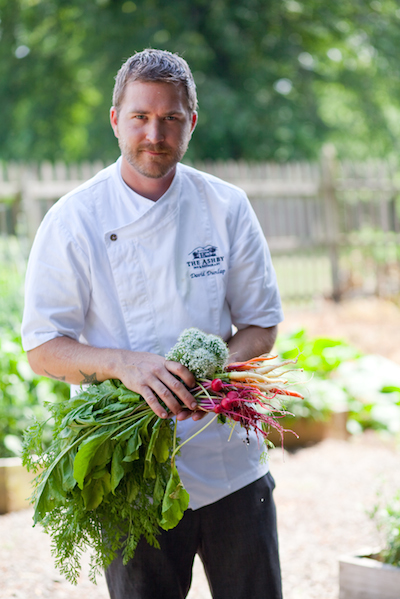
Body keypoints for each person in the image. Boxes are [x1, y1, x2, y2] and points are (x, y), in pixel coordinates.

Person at [21, 49, 284, 599]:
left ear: (192, 122)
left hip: (230, 458)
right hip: (131, 470)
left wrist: (212, 384)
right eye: (140, 116)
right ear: (116, 120)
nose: (155, 133)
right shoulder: (75, 219)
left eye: (171, 118)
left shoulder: (225, 206)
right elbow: (43, 347)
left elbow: (260, 325)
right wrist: (125, 365)